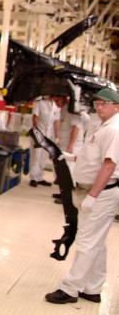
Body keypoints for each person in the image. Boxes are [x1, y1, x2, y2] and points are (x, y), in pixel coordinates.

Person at [45, 88, 119, 304]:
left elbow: (109, 165)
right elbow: (96, 158)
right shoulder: (104, 126)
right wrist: (73, 157)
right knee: (97, 243)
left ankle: (70, 289)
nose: (99, 107)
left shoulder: (114, 129)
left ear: (117, 106)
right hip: (97, 191)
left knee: (87, 241)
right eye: (97, 103)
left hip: (102, 194)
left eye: (104, 104)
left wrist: (93, 196)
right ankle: (92, 288)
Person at [29, 95, 62, 187]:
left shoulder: (55, 105)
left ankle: (39, 177)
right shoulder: (39, 102)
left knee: (44, 156)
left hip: (48, 135)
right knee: (36, 155)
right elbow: (35, 118)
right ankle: (33, 178)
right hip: (39, 133)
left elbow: (56, 122)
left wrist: (57, 136)